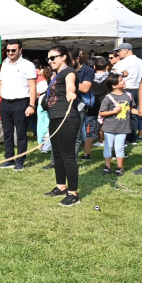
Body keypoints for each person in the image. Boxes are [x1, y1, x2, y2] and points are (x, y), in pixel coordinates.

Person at [42, 45, 81, 206]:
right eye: (48, 58)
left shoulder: (69, 72)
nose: (50, 61)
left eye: (53, 58)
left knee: (68, 156)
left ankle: (73, 194)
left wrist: (71, 92)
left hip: (67, 118)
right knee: (57, 154)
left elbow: (70, 85)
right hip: (55, 117)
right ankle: (61, 186)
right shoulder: (56, 75)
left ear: (64, 57)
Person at [0, 39, 37, 171]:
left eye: (13, 50)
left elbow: (32, 87)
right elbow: (0, 84)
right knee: (7, 133)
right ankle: (9, 159)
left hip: (21, 103)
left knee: (21, 134)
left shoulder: (28, 65)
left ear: (20, 50)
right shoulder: (5, 63)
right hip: (5, 103)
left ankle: (20, 161)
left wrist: (31, 105)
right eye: (8, 50)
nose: (10, 53)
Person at [99, 73, 136, 176]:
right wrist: (114, 111)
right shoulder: (108, 98)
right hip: (110, 127)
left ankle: (120, 167)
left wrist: (139, 112)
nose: (123, 81)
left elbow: (130, 109)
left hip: (123, 127)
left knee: (120, 147)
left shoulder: (128, 95)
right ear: (114, 86)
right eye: (120, 80)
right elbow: (102, 113)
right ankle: (107, 166)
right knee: (108, 146)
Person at [114, 43, 142, 142]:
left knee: (122, 114)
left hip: (125, 89)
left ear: (126, 50)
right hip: (136, 89)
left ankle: (124, 137)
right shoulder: (140, 61)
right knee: (133, 114)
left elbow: (115, 75)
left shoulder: (124, 62)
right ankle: (132, 138)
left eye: (119, 51)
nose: (118, 53)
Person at [82, 57, 109, 159]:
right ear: (107, 67)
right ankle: (113, 152)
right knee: (110, 130)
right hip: (106, 105)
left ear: (94, 66)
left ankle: (86, 154)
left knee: (90, 130)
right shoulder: (110, 77)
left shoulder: (89, 77)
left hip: (92, 105)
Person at [72, 48, 95, 158]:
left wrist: (69, 81)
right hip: (62, 105)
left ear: (77, 59)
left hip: (79, 106)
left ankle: (72, 161)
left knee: (76, 135)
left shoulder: (88, 71)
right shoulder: (62, 69)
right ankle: (55, 161)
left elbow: (85, 88)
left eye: (69, 60)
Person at [36, 65, 54, 154]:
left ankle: (40, 143)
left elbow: (37, 93)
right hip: (49, 104)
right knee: (47, 124)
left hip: (40, 103)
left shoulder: (40, 83)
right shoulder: (53, 83)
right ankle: (46, 143)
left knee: (40, 123)